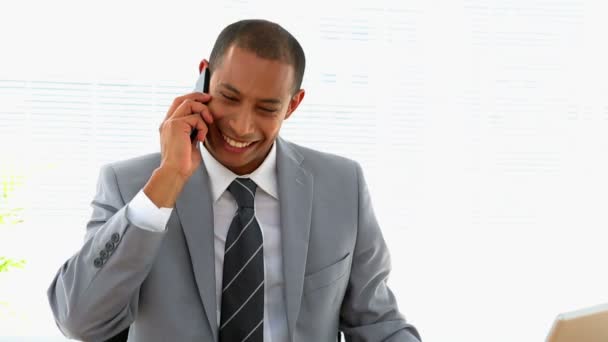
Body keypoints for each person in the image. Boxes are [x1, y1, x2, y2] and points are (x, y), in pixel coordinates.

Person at [47, 19, 421, 342]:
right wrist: (166, 183)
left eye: (267, 108)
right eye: (228, 97)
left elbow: (377, 324)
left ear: (293, 104)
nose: (242, 126)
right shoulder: (130, 185)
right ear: (204, 77)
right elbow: (80, 320)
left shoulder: (342, 186)